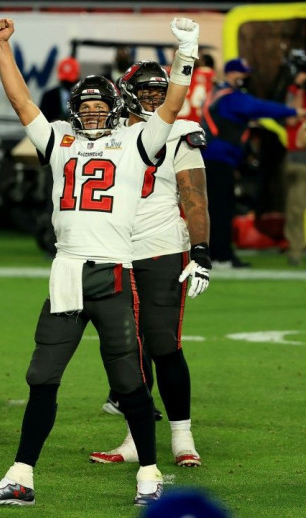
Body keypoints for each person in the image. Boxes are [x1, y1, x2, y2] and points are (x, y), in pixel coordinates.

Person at [0, 17, 198, 507]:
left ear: (117, 109)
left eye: (100, 106)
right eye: (85, 107)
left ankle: (150, 475)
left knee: (129, 379)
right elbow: (19, 100)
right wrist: (3, 48)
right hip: (67, 271)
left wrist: (187, 53)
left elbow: (174, 102)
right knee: (41, 376)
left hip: (114, 270)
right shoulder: (57, 139)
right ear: (73, 110)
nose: (92, 114)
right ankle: (21, 476)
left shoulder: (139, 142)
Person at [89, 61, 210, 468]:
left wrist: (201, 251)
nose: (154, 98)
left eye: (161, 91)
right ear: (126, 93)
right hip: (114, 250)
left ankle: (182, 435)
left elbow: (194, 196)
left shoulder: (179, 130)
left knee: (163, 344)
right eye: (145, 91)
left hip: (160, 248)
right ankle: (135, 437)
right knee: (128, 347)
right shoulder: (109, 131)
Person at [201, 57, 304, 267]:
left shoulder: (219, 94)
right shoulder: (231, 97)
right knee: (222, 208)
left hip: (216, 159)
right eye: (241, 74)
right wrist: (294, 111)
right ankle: (222, 255)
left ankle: (217, 253)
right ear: (230, 74)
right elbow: (260, 107)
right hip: (218, 159)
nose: (245, 78)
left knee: (217, 208)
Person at [284, 56, 306, 266]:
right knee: (296, 208)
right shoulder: (296, 94)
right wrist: (298, 87)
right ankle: (296, 251)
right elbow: (291, 118)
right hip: (299, 158)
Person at [39, 56, 80, 122]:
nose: (67, 83)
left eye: (69, 80)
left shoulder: (81, 97)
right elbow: (41, 120)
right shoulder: (48, 96)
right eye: (65, 81)